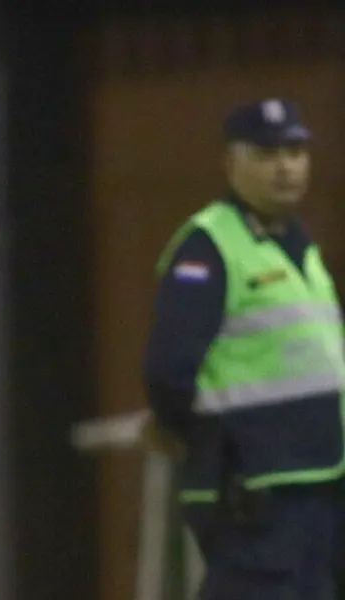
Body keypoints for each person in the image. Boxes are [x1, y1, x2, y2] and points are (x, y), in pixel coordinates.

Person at [144, 98, 344, 600]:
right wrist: (216, 448)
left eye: (295, 152)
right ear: (232, 162)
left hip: (319, 483)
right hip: (254, 492)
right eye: (267, 153)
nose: (286, 166)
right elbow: (169, 372)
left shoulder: (297, 242)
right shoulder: (209, 244)